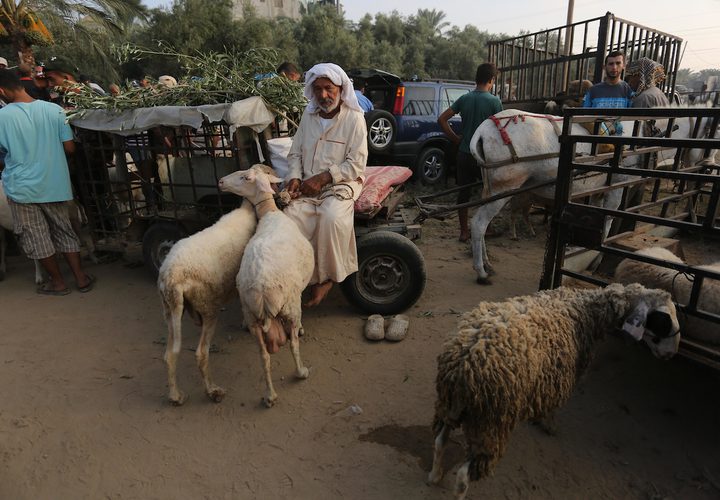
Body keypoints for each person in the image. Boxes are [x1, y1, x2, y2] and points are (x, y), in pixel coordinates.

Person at [0, 69, 95, 295]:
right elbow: (70, 148)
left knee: (37, 237)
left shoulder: (2, 117)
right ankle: (81, 278)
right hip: (55, 184)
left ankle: (58, 283)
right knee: (65, 231)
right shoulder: (55, 110)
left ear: (2, 91)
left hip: (21, 189)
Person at [285, 63, 368, 306]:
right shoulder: (308, 116)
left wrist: (322, 178)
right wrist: (294, 177)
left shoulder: (354, 119)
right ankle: (301, 277)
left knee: (332, 218)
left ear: (341, 88)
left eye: (328, 88)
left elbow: (356, 164)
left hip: (340, 185)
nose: (323, 95)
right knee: (290, 218)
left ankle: (327, 279)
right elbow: (295, 154)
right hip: (307, 186)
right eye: (318, 89)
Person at [438, 63, 503, 243]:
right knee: (487, 192)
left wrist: (456, 139)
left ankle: (464, 231)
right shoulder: (494, 102)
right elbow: (500, 130)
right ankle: (486, 228)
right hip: (483, 157)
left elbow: (442, 119)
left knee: (463, 193)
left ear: (476, 79)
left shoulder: (465, 99)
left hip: (464, 153)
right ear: (491, 80)